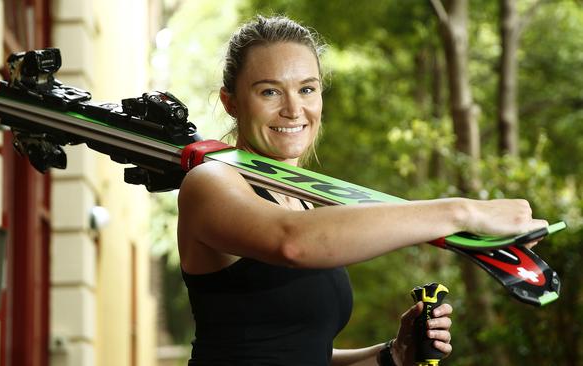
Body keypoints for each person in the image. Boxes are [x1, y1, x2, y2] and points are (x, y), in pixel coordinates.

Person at [177, 15, 547, 366]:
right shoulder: (210, 183)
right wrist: (464, 212)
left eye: (307, 89)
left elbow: (302, 354)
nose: (294, 109)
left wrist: (395, 354)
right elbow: (290, 242)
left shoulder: (309, 203)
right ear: (232, 103)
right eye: (270, 91)